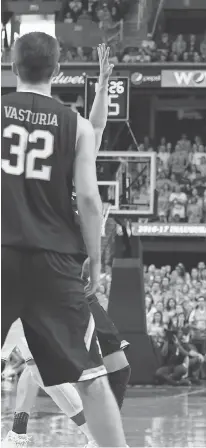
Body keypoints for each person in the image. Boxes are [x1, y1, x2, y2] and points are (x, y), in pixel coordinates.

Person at [1, 33, 126, 447]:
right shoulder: (76, 126)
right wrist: (95, 257)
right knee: (91, 379)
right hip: (56, 261)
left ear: (11, 65)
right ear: (58, 71)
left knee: (41, 367)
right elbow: (89, 199)